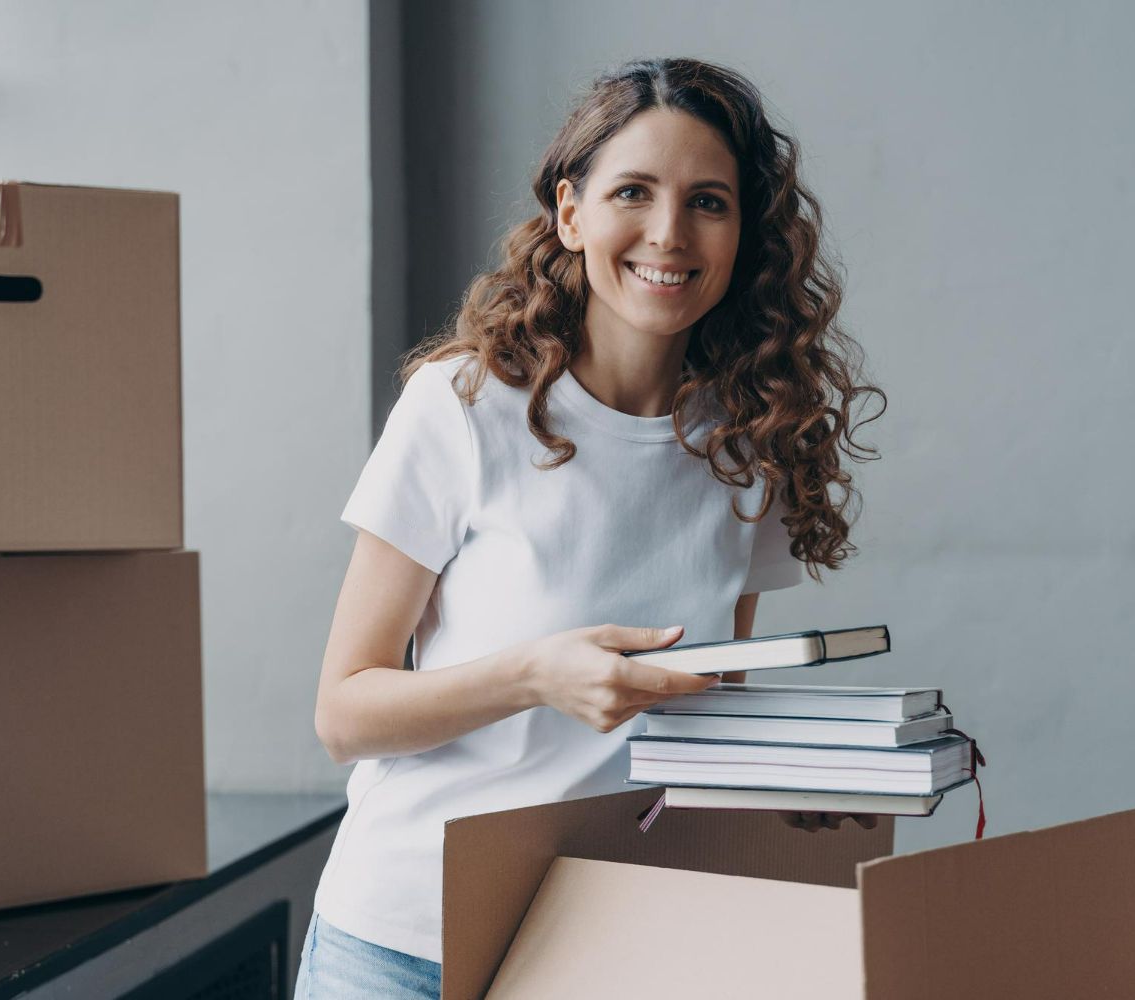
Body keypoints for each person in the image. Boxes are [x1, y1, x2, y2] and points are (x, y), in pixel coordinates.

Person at [293, 56, 886, 999]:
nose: (667, 233)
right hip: (408, 942)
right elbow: (344, 713)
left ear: (745, 236)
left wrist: (795, 778)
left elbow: (704, 706)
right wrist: (535, 674)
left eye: (709, 203)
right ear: (572, 214)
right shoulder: (464, 405)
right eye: (633, 192)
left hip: (611, 938)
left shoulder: (749, 440)